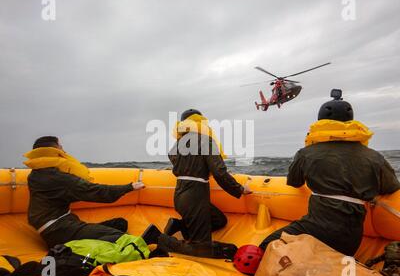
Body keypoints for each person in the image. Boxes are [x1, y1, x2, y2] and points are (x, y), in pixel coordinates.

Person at [259, 96, 400, 256]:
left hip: (315, 228)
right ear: (351, 122)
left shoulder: (306, 153)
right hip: (351, 240)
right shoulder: (375, 157)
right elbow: (391, 187)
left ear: (320, 122)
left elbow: (294, 182)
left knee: (265, 246)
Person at [24, 136, 161, 248]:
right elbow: (98, 192)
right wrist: (129, 187)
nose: (64, 151)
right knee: (120, 238)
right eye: (61, 147)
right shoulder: (60, 179)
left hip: (56, 227)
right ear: (54, 151)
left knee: (120, 223)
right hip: (59, 230)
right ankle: (142, 246)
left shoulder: (35, 175)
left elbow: (61, 195)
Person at [158, 109, 251, 258]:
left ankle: (178, 225)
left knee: (219, 220)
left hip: (181, 195)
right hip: (195, 195)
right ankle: (160, 239)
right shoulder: (205, 140)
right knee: (201, 248)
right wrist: (239, 189)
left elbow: (178, 161)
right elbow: (219, 172)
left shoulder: (178, 143)